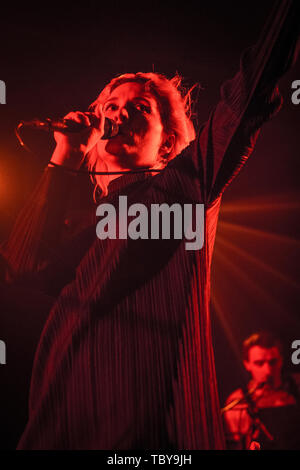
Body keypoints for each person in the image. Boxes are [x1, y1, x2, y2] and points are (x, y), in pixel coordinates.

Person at [1, 1, 299, 450]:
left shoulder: (186, 184)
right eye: (111, 105)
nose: (118, 113)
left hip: (146, 428)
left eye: (139, 107)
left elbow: (248, 95)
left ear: (169, 142)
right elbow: (24, 266)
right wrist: (65, 156)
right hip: (63, 417)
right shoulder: (88, 225)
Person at [222, 332, 300, 450]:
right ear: (247, 364)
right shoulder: (237, 403)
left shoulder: (296, 388)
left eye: (272, 362)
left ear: (281, 360)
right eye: (259, 363)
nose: (268, 371)